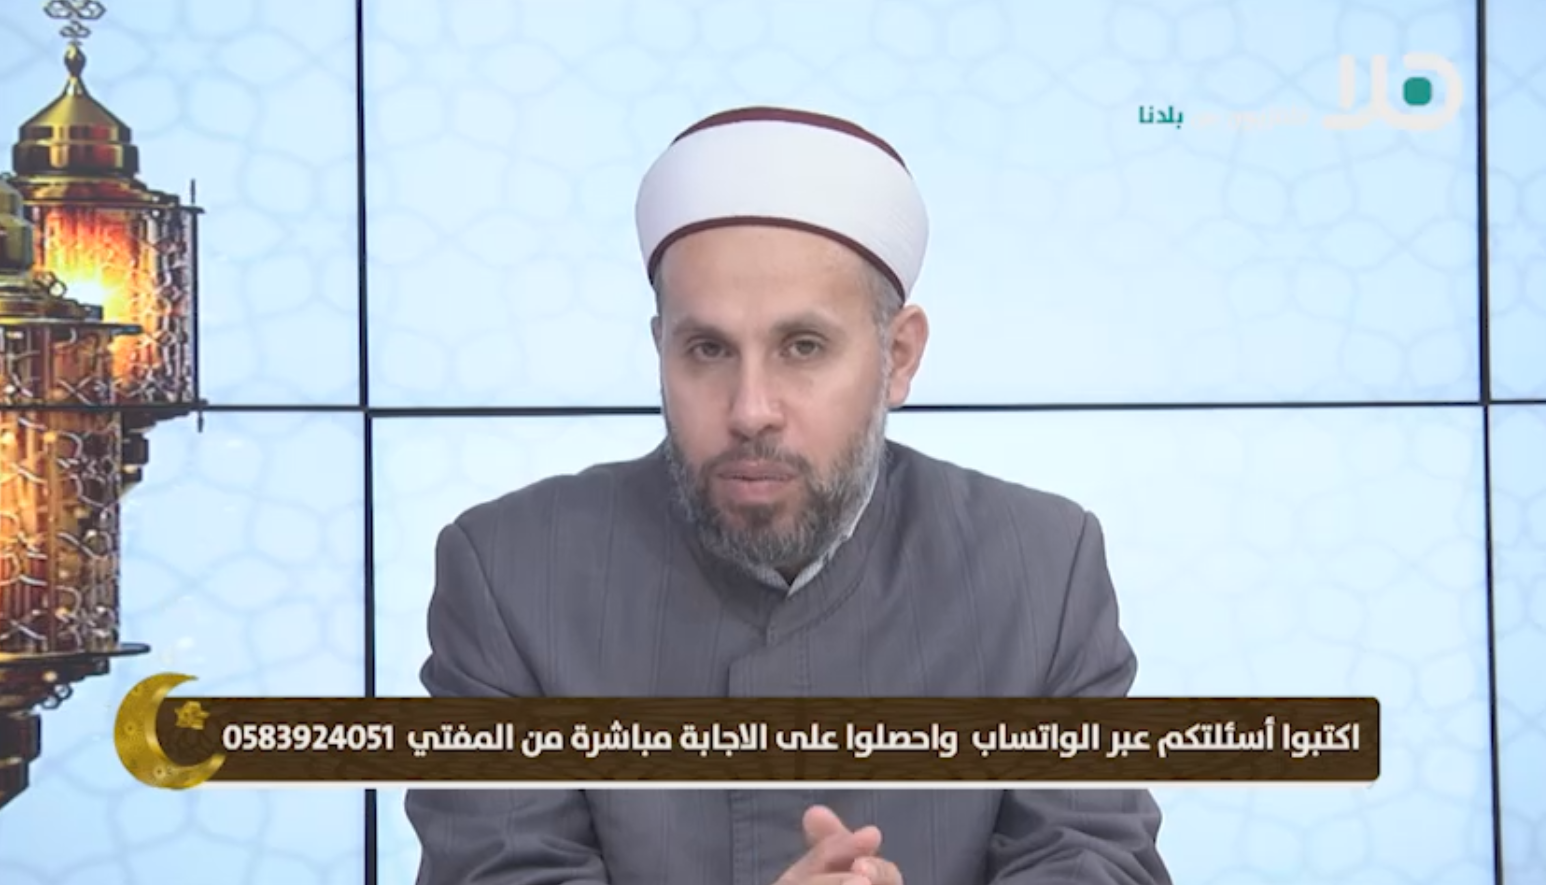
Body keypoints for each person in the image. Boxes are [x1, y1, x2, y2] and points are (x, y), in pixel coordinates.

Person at [406, 105, 1173, 885]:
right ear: (661, 349)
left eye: (802, 347)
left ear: (899, 355)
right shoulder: (511, 574)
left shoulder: (1040, 567)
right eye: (707, 349)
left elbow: (1094, 860)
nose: (750, 410)